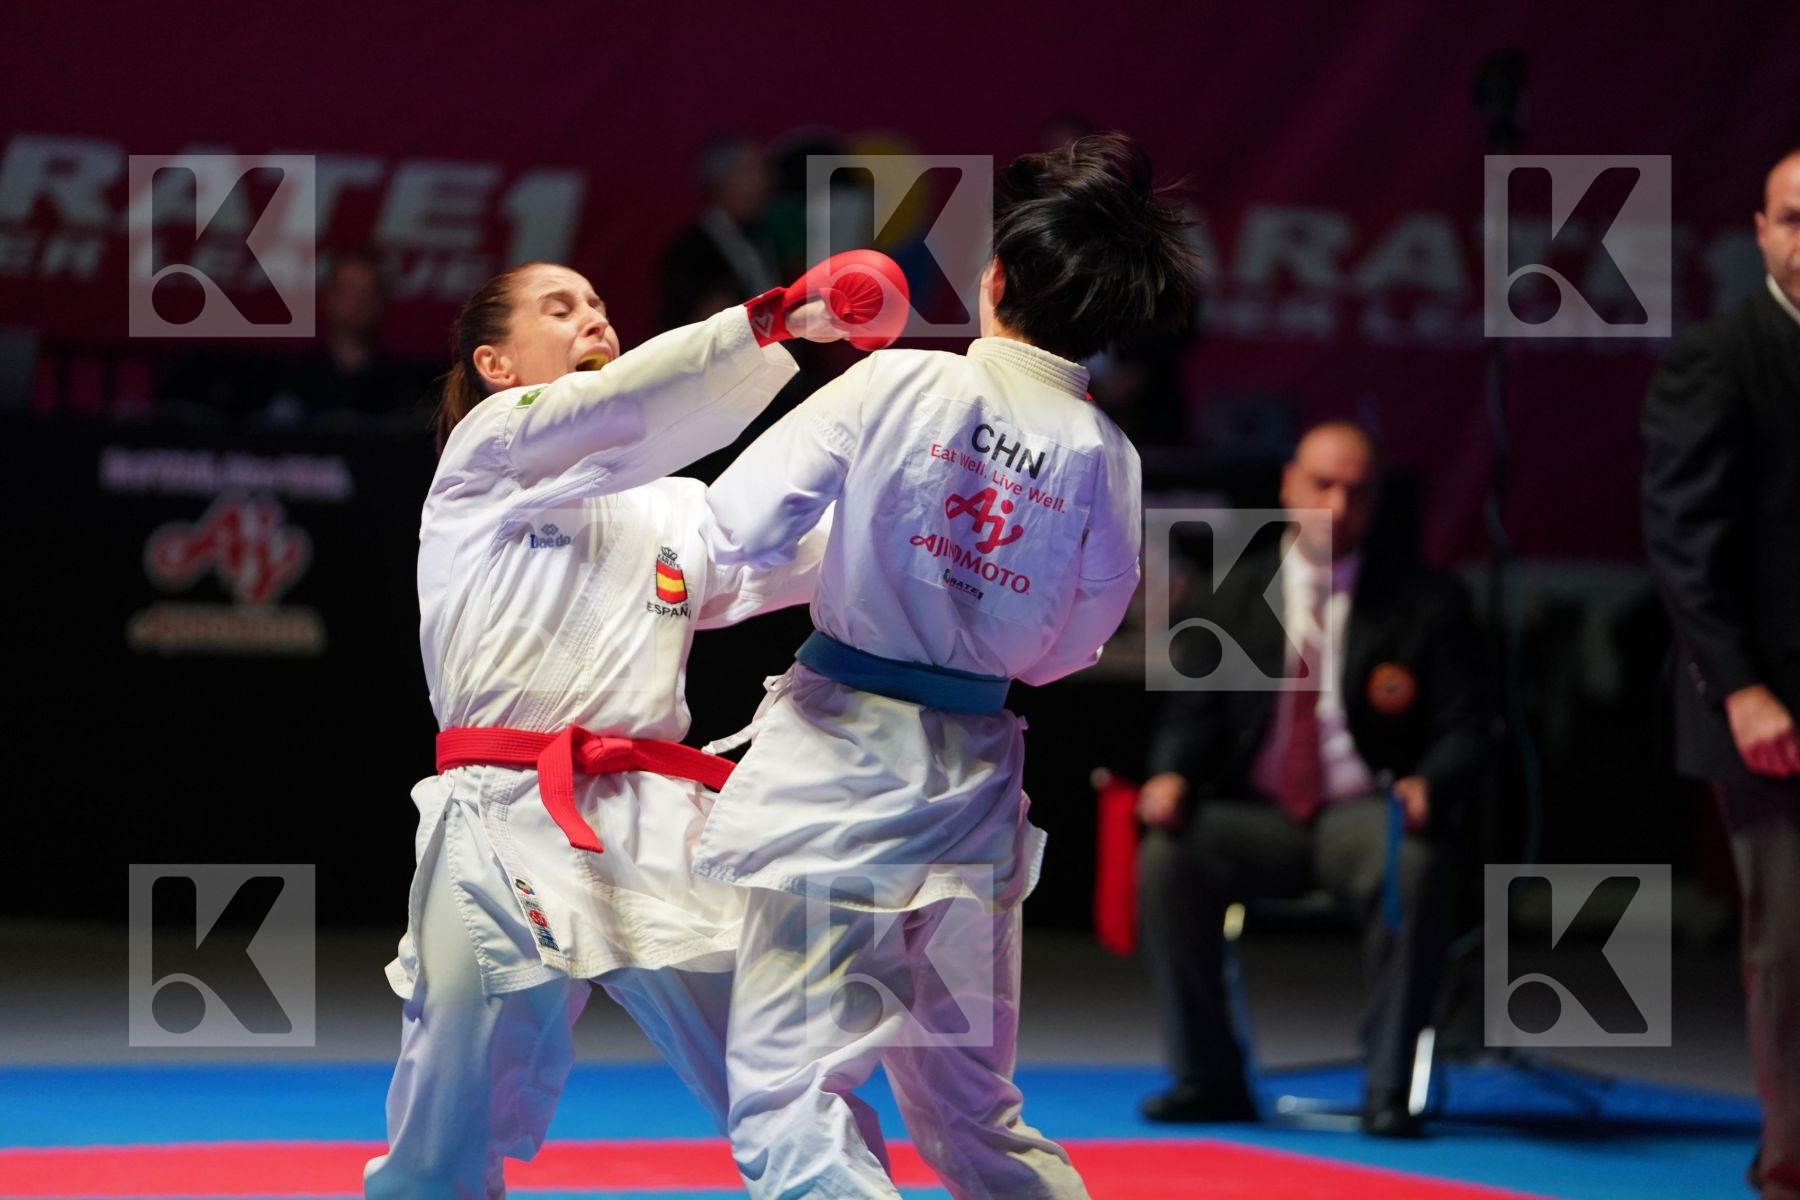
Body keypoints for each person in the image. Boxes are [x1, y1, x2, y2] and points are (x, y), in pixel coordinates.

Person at [694, 131, 1202, 1199]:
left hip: (840, 789)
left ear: (997, 280)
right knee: (974, 1114)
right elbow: (1071, 651)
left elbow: (736, 522)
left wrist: (859, 553)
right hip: (974, 796)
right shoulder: (1108, 456)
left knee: (794, 1100)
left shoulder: (900, 385)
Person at [364, 249, 907, 1196]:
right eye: (561, 306)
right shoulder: (485, 455)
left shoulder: (678, 511)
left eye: (603, 302)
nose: (594, 319)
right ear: (496, 364)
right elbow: (625, 407)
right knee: (446, 1129)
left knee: (779, 1070)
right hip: (495, 823)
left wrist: (942, 504)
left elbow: (816, 552)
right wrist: (772, 320)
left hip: (656, 821)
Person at [1135, 420, 1488, 1138]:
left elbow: (1467, 727)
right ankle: (1209, 1075)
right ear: (1288, 486)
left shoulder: (1427, 601)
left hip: (1364, 813)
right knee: (1168, 860)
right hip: (1256, 815)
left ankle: (1390, 1088)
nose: (1337, 503)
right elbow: (1191, 713)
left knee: (1414, 863)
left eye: (1356, 491)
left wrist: (1430, 783)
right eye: (1322, 483)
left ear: (1376, 503)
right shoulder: (1233, 590)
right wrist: (1170, 776)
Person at [1642, 149, 1800, 1200]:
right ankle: (1792, 1163)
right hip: (1767, 698)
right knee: (1791, 940)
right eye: (1797, 218)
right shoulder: (1722, 357)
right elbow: (1683, 541)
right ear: (1760, 231)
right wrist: (1740, 686)